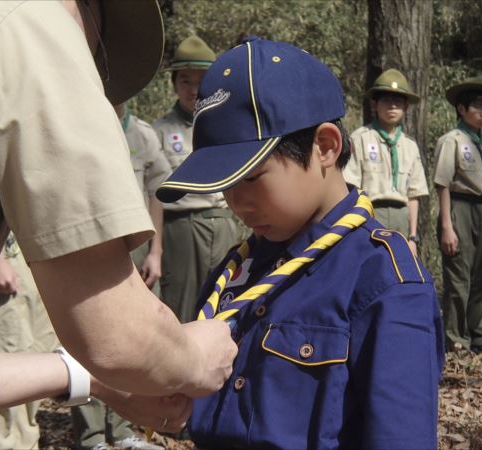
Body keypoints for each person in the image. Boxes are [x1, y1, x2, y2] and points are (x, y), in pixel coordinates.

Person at [0, 1, 238, 447]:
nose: (89, 68)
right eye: (96, 54)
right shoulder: (34, 19)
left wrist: (84, 377)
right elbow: (118, 336)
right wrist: (195, 358)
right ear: (88, 11)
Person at [156, 37, 444, 449]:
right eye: (225, 183)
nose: (236, 202)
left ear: (325, 147)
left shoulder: (384, 280)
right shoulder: (234, 271)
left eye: (251, 178)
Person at [71, 103, 171, 450]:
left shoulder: (141, 133)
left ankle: (124, 429)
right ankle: (93, 435)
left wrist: (156, 252)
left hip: (137, 249)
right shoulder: (75, 121)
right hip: (90, 247)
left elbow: (157, 192)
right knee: (90, 338)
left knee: (133, 339)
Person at [153, 35, 240, 323]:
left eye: (202, 80)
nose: (193, 90)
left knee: (228, 301)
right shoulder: (160, 132)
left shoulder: (230, 128)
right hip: (182, 229)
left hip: (225, 224)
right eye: (185, 81)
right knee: (183, 308)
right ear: (174, 85)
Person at [0, 233, 59, 450]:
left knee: (40, 358)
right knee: (8, 358)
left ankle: (25, 443)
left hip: (41, 253)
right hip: (9, 254)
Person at [343, 69, 429, 256]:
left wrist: (413, 237)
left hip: (401, 216)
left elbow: (414, 195)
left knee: (400, 269)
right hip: (371, 213)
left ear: (405, 107)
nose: (392, 107)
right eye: (386, 101)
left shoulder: (409, 145)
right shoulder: (361, 138)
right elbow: (350, 186)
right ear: (374, 104)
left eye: (398, 102)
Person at [433, 76, 482, 353]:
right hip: (459, 206)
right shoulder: (452, 140)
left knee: (481, 276)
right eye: (477, 106)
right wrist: (446, 226)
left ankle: (477, 335)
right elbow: (442, 183)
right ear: (462, 110)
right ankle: (455, 338)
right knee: (458, 277)